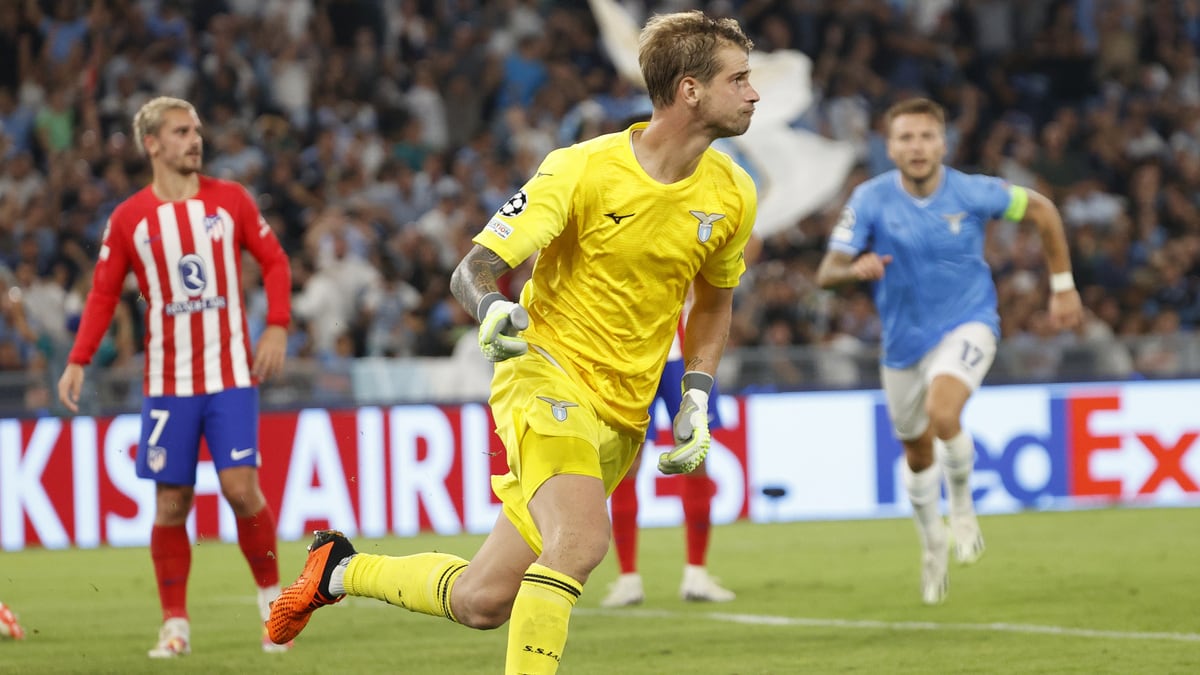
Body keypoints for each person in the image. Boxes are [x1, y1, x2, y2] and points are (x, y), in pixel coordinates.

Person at [267, 10, 759, 673]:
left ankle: (338, 570)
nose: (754, 93)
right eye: (740, 78)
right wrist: (492, 308)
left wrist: (695, 394)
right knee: (582, 541)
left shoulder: (733, 192)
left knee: (482, 598)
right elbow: (472, 270)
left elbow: (714, 301)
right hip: (545, 380)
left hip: (622, 415)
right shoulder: (582, 170)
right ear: (691, 90)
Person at [816, 97, 1083, 605]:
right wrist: (855, 269)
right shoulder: (870, 199)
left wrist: (1063, 285)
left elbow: (1044, 210)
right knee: (916, 455)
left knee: (945, 412)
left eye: (926, 136)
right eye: (905, 138)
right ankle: (932, 540)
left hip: (970, 323)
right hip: (902, 345)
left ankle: (962, 504)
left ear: (943, 142)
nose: (917, 147)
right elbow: (826, 271)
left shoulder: (973, 191)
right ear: (889, 147)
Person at [56, 96, 293, 657]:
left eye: (197, 129)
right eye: (182, 131)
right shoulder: (130, 218)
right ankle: (175, 626)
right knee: (171, 503)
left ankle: (274, 606)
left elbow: (276, 260)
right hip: (168, 384)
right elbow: (103, 292)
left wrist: (277, 325)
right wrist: (78, 358)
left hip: (230, 374)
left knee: (240, 490)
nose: (195, 139)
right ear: (152, 144)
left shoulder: (230, 200)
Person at [601, 316, 735, 607]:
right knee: (633, 460)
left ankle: (648, 578)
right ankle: (638, 578)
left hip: (661, 349)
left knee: (686, 454)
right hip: (644, 349)